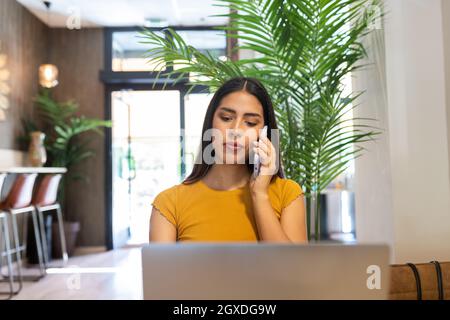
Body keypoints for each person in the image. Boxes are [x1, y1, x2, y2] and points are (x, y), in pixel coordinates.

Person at [149, 77, 307, 243]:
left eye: (250, 122)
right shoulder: (169, 204)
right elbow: (163, 269)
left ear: (264, 134)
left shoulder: (287, 194)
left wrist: (259, 195)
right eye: (226, 118)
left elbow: (293, 268)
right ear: (210, 122)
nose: (235, 130)